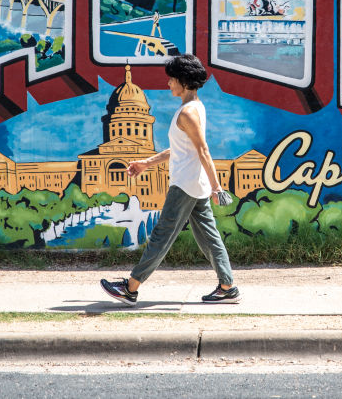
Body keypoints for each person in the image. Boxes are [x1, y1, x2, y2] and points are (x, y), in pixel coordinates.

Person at [100, 54, 240, 306]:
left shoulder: (187, 113)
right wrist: (146, 163)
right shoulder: (195, 108)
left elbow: (203, 150)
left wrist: (217, 186)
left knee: (162, 236)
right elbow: (180, 148)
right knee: (209, 237)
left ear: (184, 82)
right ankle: (227, 286)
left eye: (172, 79)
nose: (168, 84)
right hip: (194, 184)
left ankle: (131, 288)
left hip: (185, 185)